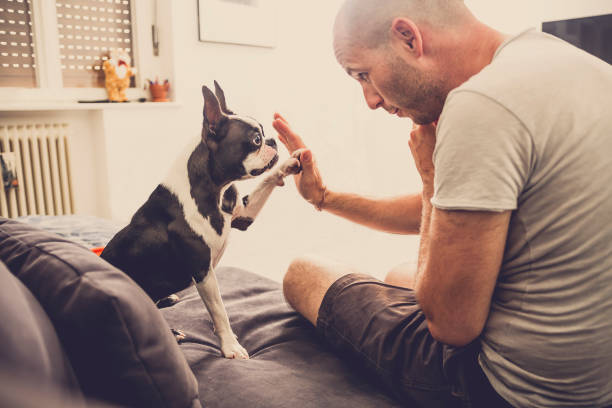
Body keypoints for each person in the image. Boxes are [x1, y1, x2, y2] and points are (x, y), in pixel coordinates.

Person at [272, 0, 612, 407]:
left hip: (510, 390)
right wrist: (325, 199)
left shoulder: (481, 104)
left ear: (408, 38)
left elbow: (450, 325)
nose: (370, 100)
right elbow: (464, 209)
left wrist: (430, 178)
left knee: (303, 272)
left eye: (363, 74)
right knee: (400, 273)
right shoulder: (578, 65)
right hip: (594, 377)